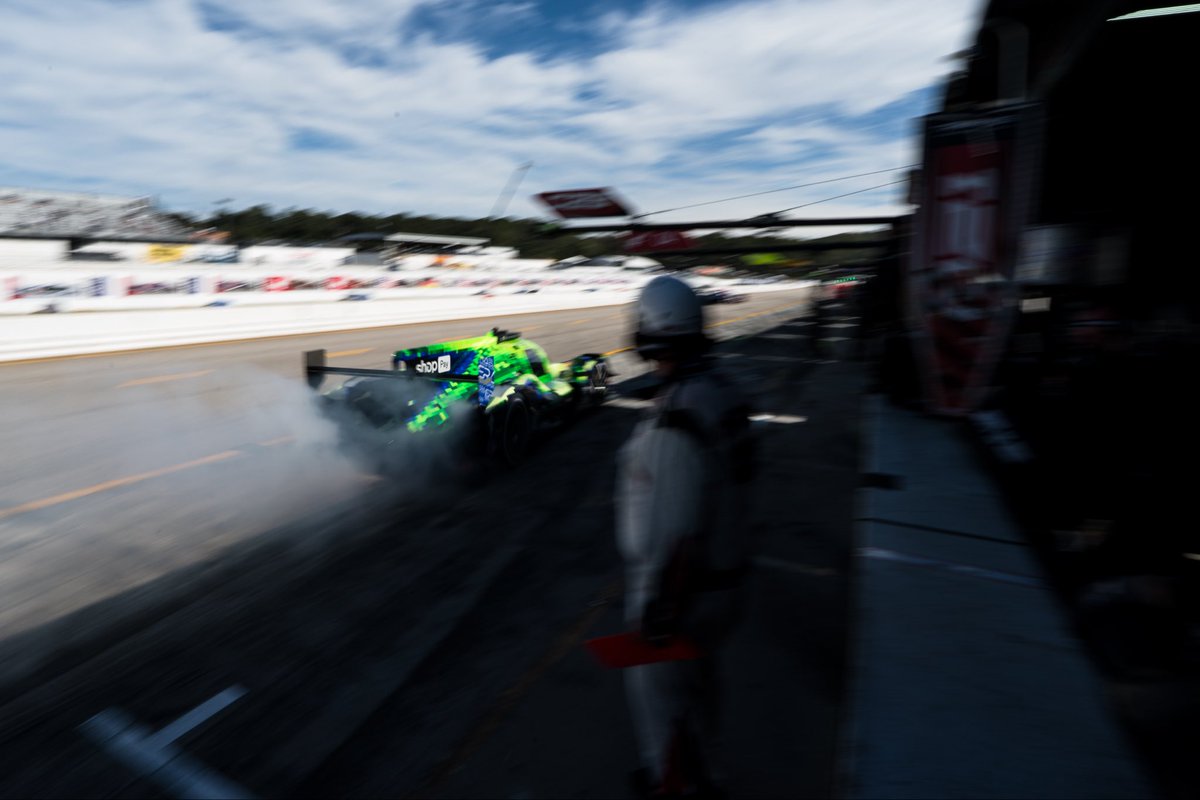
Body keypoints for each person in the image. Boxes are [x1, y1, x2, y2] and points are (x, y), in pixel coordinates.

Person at [615, 275, 756, 798]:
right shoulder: (722, 393)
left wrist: (659, 615)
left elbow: (677, 532)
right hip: (727, 581)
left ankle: (670, 783)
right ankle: (709, 774)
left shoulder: (677, 420)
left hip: (687, 594)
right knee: (700, 691)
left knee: (663, 713)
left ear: (652, 330)